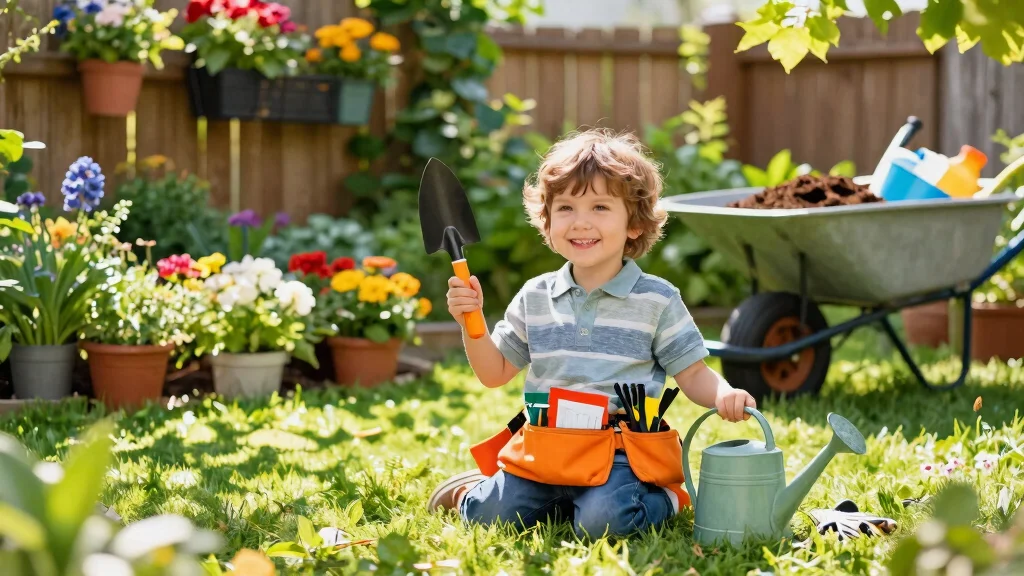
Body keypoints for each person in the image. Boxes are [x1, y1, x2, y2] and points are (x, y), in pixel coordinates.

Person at [427, 128, 756, 539]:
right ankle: (474, 493)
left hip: (620, 454)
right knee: (488, 516)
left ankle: (666, 496)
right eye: (565, 207)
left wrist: (723, 392)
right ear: (547, 222)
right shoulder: (535, 296)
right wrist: (470, 323)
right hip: (545, 447)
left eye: (600, 206)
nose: (580, 222)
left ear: (634, 225)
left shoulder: (656, 300)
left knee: (604, 524)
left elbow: (691, 374)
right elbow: (493, 373)